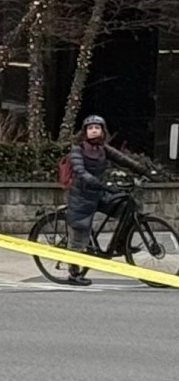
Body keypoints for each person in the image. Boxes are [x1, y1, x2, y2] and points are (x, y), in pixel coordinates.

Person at [60, 114, 153, 285]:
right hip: (81, 195)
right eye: (90, 128)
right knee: (79, 234)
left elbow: (123, 159)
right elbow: (80, 171)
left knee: (127, 206)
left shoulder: (103, 149)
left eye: (97, 127)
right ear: (85, 132)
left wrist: (143, 170)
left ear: (103, 131)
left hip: (99, 193)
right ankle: (73, 273)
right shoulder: (78, 149)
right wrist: (98, 182)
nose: (94, 130)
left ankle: (120, 244)